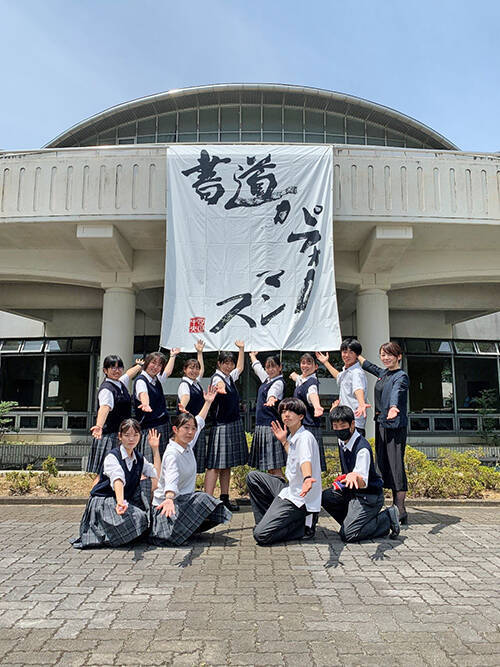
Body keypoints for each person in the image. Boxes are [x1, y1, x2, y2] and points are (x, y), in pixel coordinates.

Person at [150, 385, 232, 546]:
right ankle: (168, 532)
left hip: (181, 502)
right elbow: (172, 478)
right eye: (186, 428)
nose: (190, 432)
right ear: (175, 429)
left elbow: (199, 421)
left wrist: (208, 402)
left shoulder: (187, 444)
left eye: (192, 429)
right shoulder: (172, 453)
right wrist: (169, 499)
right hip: (166, 506)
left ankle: (183, 530)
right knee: (203, 499)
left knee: (210, 505)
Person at [72, 419, 160, 549]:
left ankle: (123, 534)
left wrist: (155, 450)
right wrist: (120, 502)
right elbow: (117, 479)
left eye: (135, 435)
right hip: (104, 501)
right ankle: (108, 535)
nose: (131, 439)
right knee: (138, 518)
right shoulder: (112, 457)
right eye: (127, 435)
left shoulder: (139, 458)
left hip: (122, 500)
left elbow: (155, 477)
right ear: (120, 436)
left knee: (142, 513)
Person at [246, 398, 322, 545]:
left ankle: (303, 527)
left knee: (261, 535)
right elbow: (296, 456)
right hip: (290, 489)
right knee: (253, 477)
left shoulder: (305, 438)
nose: (286, 414)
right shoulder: (294, 436)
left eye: (291, 411)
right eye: (283, 411)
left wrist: (307, 478)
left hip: (300, 499)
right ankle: (266, 522)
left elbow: (305, 460)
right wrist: (283, 441)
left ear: (301, 416)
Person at [322, 405, 400, 542]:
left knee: (349, 535)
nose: (339, 430)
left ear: (352, 424)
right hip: (352, 493)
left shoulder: (362, 449)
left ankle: (387, 518)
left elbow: (362, 481)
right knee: (327, 496)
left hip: (369, 496)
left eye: (343, 426)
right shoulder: (342, 441)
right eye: (335, 426)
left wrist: (354, 475)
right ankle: (354, 524)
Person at [358, 342, 409, 523]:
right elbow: (369, 366)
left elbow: (397, 391)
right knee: (381, 463)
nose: (385, 358)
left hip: (395, 426)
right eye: (383, 354)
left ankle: (400, 508)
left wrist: (394, 407)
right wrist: (355, 353)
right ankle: (382, 506)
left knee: (395, 465)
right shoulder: (383, 373)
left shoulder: (401, 376)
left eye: (389, 354)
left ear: (398, 356)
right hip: (381, 423)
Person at [205, 341, 248, 512]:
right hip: (221, 425)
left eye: (231, 363)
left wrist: (241, 349)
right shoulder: (218, 378)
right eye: (226, 363)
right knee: (215, 465)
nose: (229, 366)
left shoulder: (230, 377)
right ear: (219, 364)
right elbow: (219, 385)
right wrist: (220, 389)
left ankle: (224, 498)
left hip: (232, 423)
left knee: (226, 464)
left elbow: (240, 368)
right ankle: (207, 502)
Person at [87, 355, 144, 475]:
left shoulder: (120, 383)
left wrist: (138, 366)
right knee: (105, 473)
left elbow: (128, 374)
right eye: (113, 367)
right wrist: (99, 426)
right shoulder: (107, 389)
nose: (117, 371)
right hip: (109, 436)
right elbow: (104, 408)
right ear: (105, 370)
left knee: (119, 472)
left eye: (119, 367)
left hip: (119, 434)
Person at [315, 339, 370, 436]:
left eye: (351, 352)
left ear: (357, 355)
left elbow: (358, 388)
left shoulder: (356, 372)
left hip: (354, 423)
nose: (347, 355)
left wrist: (362, 404)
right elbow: (339, 376)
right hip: (344, 420)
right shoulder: (347, 371)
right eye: (344, 352)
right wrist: (326, 363)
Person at [135, 349, 179, 461]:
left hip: (162, 425)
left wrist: (173, 356)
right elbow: (143, 393)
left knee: (163, 461)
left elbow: (167, 372)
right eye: (153, 363)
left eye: (159, 365)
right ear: (147, 363)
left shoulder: (155, 379)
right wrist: (145, 404)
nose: (156, 367)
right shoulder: (141, 381)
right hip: (150, 429)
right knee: (151, 462)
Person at [248, 352, 286, 476]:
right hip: (262, 426)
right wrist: (252, 356)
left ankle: (280, 487)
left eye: (273, 366)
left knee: (274, 466)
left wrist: (271, 398)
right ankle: (273, 488)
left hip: (271, 427)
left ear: (280, 367)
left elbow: (273, 391)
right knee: (269, 467)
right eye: (268, 367)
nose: (270, 369)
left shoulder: (279, 382)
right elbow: (257, 368)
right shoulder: (267, 379)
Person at [290, 352, 326, 471]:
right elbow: (299, 379)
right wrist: (294, 376)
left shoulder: (312, 382)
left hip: (309, 427)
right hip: (301, 426)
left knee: (310, 463)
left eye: (309, 363)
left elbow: (312, 394)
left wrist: (317, 407)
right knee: (300, 462)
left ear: (316, 367)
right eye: (303, 363)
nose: (305, 365)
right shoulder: (303, 380)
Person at [177, 340, 206, 473]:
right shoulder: (185, 384)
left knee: (195, 461)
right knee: (186, 459)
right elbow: (185, 396)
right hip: (188, 428)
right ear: (185, 370)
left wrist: (199, 352)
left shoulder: (196, 383)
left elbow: (202, 371)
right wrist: (182, 406)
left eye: (196, 368)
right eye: (191, 368)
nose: (194, 371)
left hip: (197, 425)